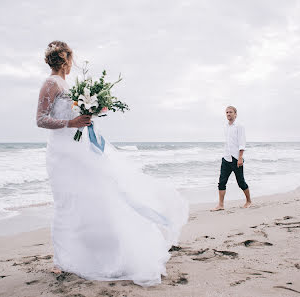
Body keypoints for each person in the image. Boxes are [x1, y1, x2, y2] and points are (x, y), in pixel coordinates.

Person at [36, 41, 188, 287]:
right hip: (61, 153)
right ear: (66, 60)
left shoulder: (68, 85)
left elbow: (76, 113)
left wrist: (93, 111)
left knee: (94, 196)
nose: (72, 63)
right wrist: (71, 123)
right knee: (67, 202)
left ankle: (100, 253)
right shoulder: (50, 84)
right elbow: (41, 119)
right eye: (71, 58)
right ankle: (63, 259)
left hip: (79, 148)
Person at [212, 106, 251, 211]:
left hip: (236, 158)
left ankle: (248, 201)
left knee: (241, 182)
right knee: (221, 182)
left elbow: (242, 143)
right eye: (227, 112)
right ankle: (221, 205)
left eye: (230, 112)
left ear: (235, 114)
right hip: (226, 158)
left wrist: (240, 158)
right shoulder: (226, 126)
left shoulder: (239, 126)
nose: (228, 114)